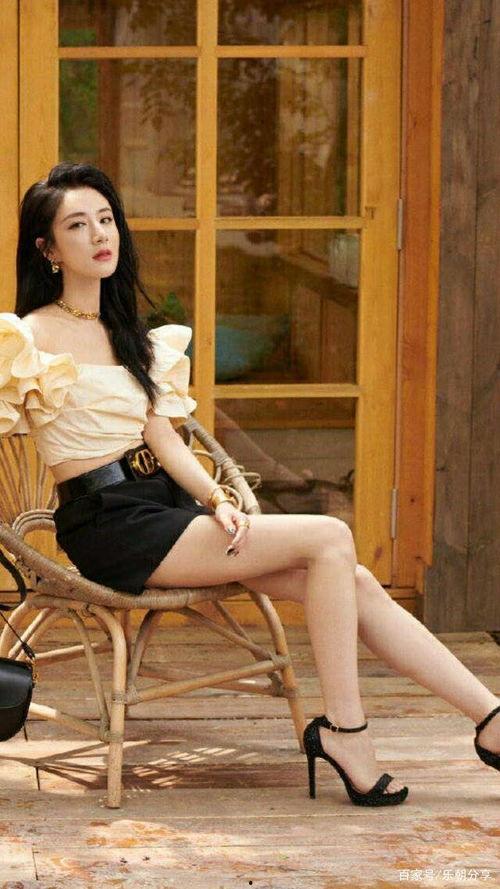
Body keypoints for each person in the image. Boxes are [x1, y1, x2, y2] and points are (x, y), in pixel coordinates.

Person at [1, 162, 499, 808]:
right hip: (108, 524)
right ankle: (347, 732)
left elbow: (164, 440)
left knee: (351, 580)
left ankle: (490, 717)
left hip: (166, 507)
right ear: (47, 248)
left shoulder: (130, 334)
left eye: (106, 219)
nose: (100, 234)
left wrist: (217, 499)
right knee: (331, 537)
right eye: (77, 225)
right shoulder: (28, 337)